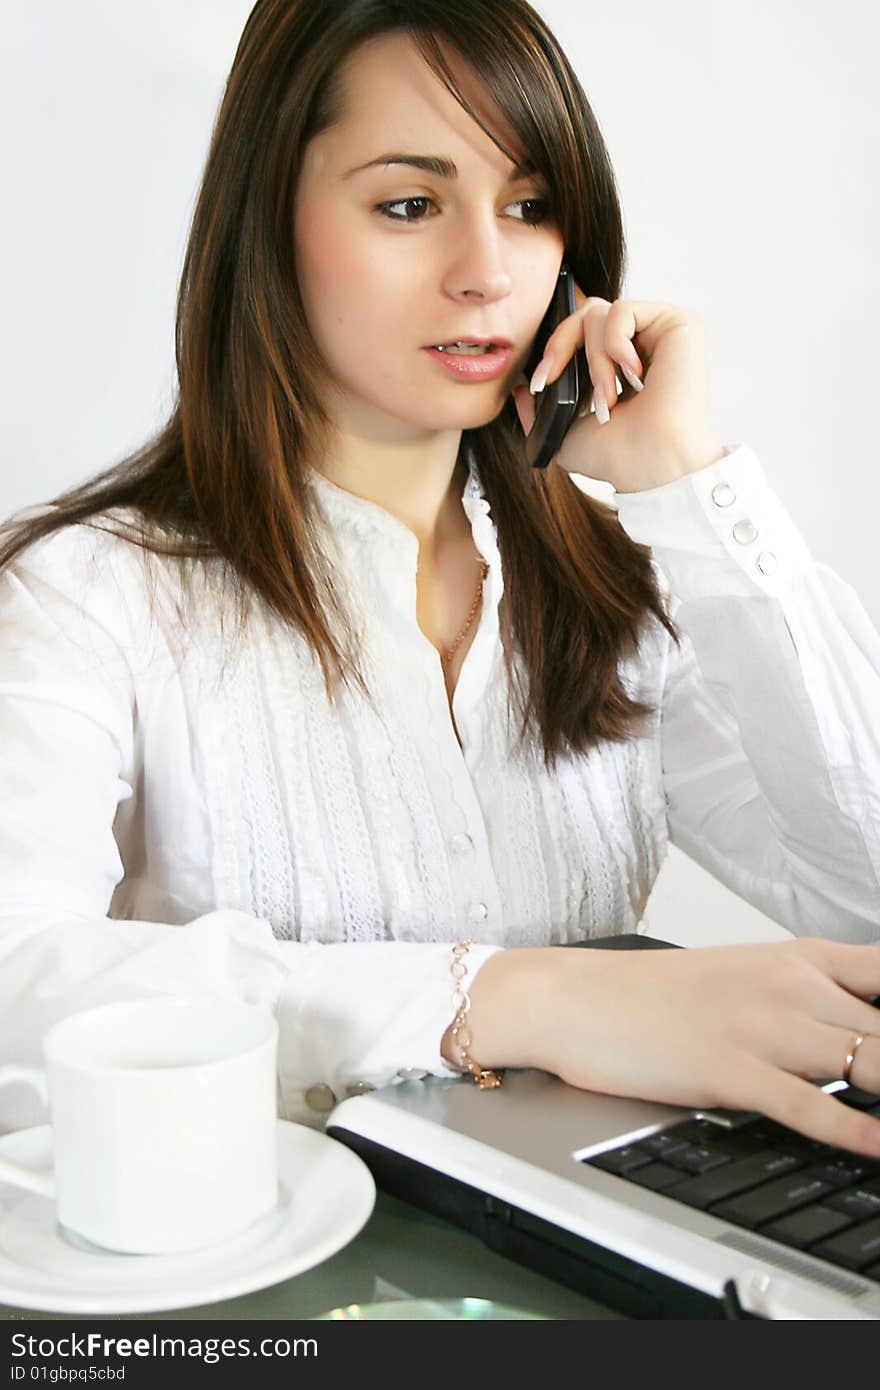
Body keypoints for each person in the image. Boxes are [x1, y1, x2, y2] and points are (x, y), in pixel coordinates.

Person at [1, 0, 879, 1155]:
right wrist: (503, 997)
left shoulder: (626, 597)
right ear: (270, 222)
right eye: (408, 205)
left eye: (530, 208)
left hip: (595, 1250)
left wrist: (687, 483)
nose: (487, 272)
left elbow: (861, 898)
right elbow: (19, 979)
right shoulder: (84, 594)